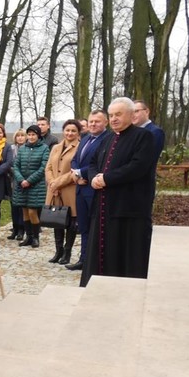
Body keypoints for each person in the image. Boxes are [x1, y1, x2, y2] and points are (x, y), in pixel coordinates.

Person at [80, 97, 159, 287]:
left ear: (132, 115)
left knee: (125, 252)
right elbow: (93, 163)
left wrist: (106, 179)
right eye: (111, 115)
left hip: (128, 208)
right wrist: (93, 178)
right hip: (104, 208)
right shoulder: (108, 138)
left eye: (118, 114)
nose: (114, 119)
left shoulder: (143, 136)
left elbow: (138, 167)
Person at [67, 109, 111, 270]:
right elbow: (75, 160)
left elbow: (99, 163)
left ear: (105, 122)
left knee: (95, 227)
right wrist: (76, 173)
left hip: (93, 190)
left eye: (97, 121)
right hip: (80, 188)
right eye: (91, 121)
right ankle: (83, 259)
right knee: (83, 226)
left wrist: (81, 172)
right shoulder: (85, 139)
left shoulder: (108, 140)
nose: (93, 124)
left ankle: (94, 260)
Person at [45, 120, 81, 264]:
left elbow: (75, 171)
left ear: (78, 133)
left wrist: (57, 183)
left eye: (73, 131)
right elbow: (48, 167)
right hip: (54, 190)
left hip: (69, 189)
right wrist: (52, 183)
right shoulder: (56, 147)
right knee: (56, 220)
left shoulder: (79, 147)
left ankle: (67, 252)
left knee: (70, 222)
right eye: (67, 130)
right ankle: (58, 251)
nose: (70, 133)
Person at [12, 125, 50, 248]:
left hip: (36, 185)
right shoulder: (23, 149)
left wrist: (29, 180)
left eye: (34, 134)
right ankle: (28, 236)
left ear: (38, 135)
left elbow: (43, 167)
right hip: (22, 185)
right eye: (29, 134)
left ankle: (35, 237)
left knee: (33, 211)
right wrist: (21, 179)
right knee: (25, 212)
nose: (31, 137)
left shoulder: (44, 148)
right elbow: (16, 165)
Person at [6, 130, 27, 241]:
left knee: (21, 207)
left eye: (22, 135)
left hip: (25, 180)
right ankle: (14, 228)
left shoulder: (28, 148)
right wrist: (14, 171)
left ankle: (21, 229)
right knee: (14, 206)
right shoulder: (11, 148)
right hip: (12, 180)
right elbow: (8, 163)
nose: (20, 138)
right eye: (18, 136)